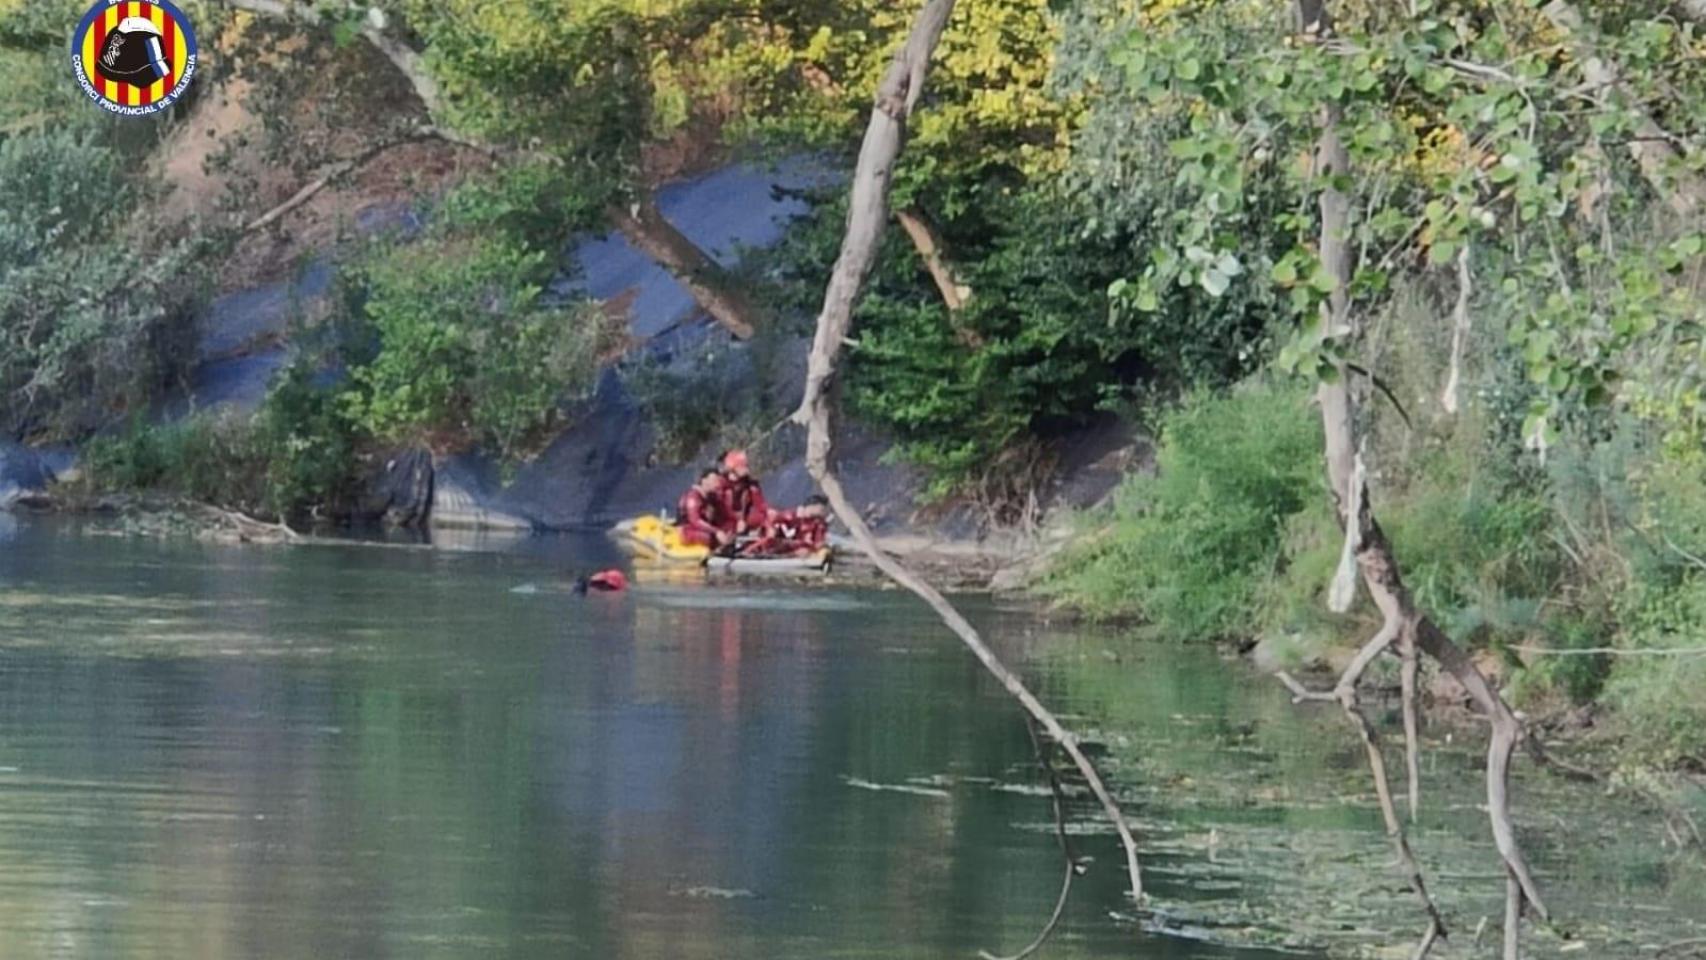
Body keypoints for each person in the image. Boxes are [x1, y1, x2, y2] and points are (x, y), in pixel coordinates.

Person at [744, 494, 830, 558]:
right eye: (821, 510)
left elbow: (817, 541)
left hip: (800, 553)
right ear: (812, 507)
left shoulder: (819, 524)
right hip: (775, 550)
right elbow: (770, 533)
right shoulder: (787, 516)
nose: (823, 513)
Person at [718, 449, 769, 536]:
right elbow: (719, 511)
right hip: (724, 526)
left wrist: (769, 520)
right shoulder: (720, 486)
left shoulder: (751, 486)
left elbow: (761, 506)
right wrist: (736, 522)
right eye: (742, 465)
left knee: (764, 518)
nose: (746, 468)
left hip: (744, 524)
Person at [676, 468, 731, 548]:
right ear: (704, 481)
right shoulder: (693, 496)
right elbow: (695, 521)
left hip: (702, 529)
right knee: (708, 537)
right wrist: (716, 531)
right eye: (713, 480)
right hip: (687, 530)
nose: (716, 483)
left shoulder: (711, 497)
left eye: (717, 481)